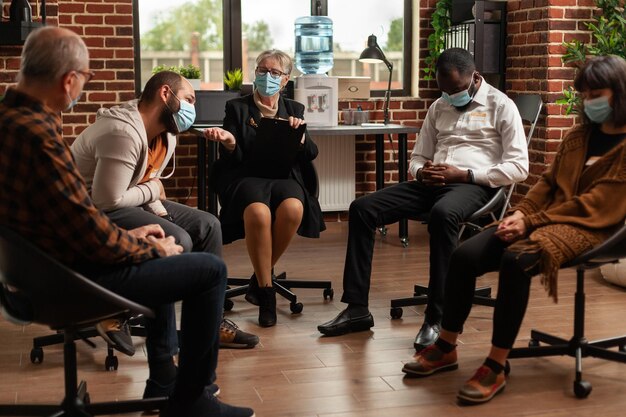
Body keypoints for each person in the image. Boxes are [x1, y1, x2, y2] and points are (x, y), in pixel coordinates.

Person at [0, 27, 254, 417]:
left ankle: (166, 379)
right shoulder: (38, 136)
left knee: (179, 243)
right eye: (85, 79)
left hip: (37, 269)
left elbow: (73, 217)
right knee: (208, 270)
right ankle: (192, 401)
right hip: (62, 280)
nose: (82, 88)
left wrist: (133, 234)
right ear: (69, 80)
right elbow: (90, 219)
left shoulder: (13, 121)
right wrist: (146, 246)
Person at [402, 54, 626, 405]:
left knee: (515, 259)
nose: (589, 102)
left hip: (598, 228)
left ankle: (496, 364)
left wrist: (529, 221)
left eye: (596, 94)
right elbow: (547, 184)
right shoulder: (580, 136)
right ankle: (446, 346)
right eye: (584, 95)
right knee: (464, 255)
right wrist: (520, 213)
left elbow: (598, 204)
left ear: (620, 93)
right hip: (547, 218)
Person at [317, 48, 529, 352]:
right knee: (362, 208)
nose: (450, 96)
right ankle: (356, 308)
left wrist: (464, 175)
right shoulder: (439, 106)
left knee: (443, 214)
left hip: (474, 184)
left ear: (474, 76)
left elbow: (519, 168)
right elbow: (417, 158)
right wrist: (421, 173)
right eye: (444, 90)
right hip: (433, 182)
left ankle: (437, 319)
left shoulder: (500, 105)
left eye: (455, 90)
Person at [70, 70, 259, 367]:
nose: (191, 109)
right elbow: (107, 200)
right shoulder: (123, 132)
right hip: (90, 210)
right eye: (188, 99)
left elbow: (146, 183)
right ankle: (147, 333)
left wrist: (161, 209)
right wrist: (154, 192)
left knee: (208, 225)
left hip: (127, 198)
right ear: (165, 95)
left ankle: (210, 326)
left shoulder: (166, 134)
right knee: (177, 239)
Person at [204, 49, 325, 327]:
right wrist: (229, 141)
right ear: (255, 73)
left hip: (284, 177)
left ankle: (258, 281)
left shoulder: (295, 109)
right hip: (246, 176)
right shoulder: (237, 107)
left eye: (274, 73)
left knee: (294, 208)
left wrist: (301, 135)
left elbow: (311, 153)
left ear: (285, 80)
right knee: (258, 214)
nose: (266, 76)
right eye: (262, 70)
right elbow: (232, 155)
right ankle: (267, 293)